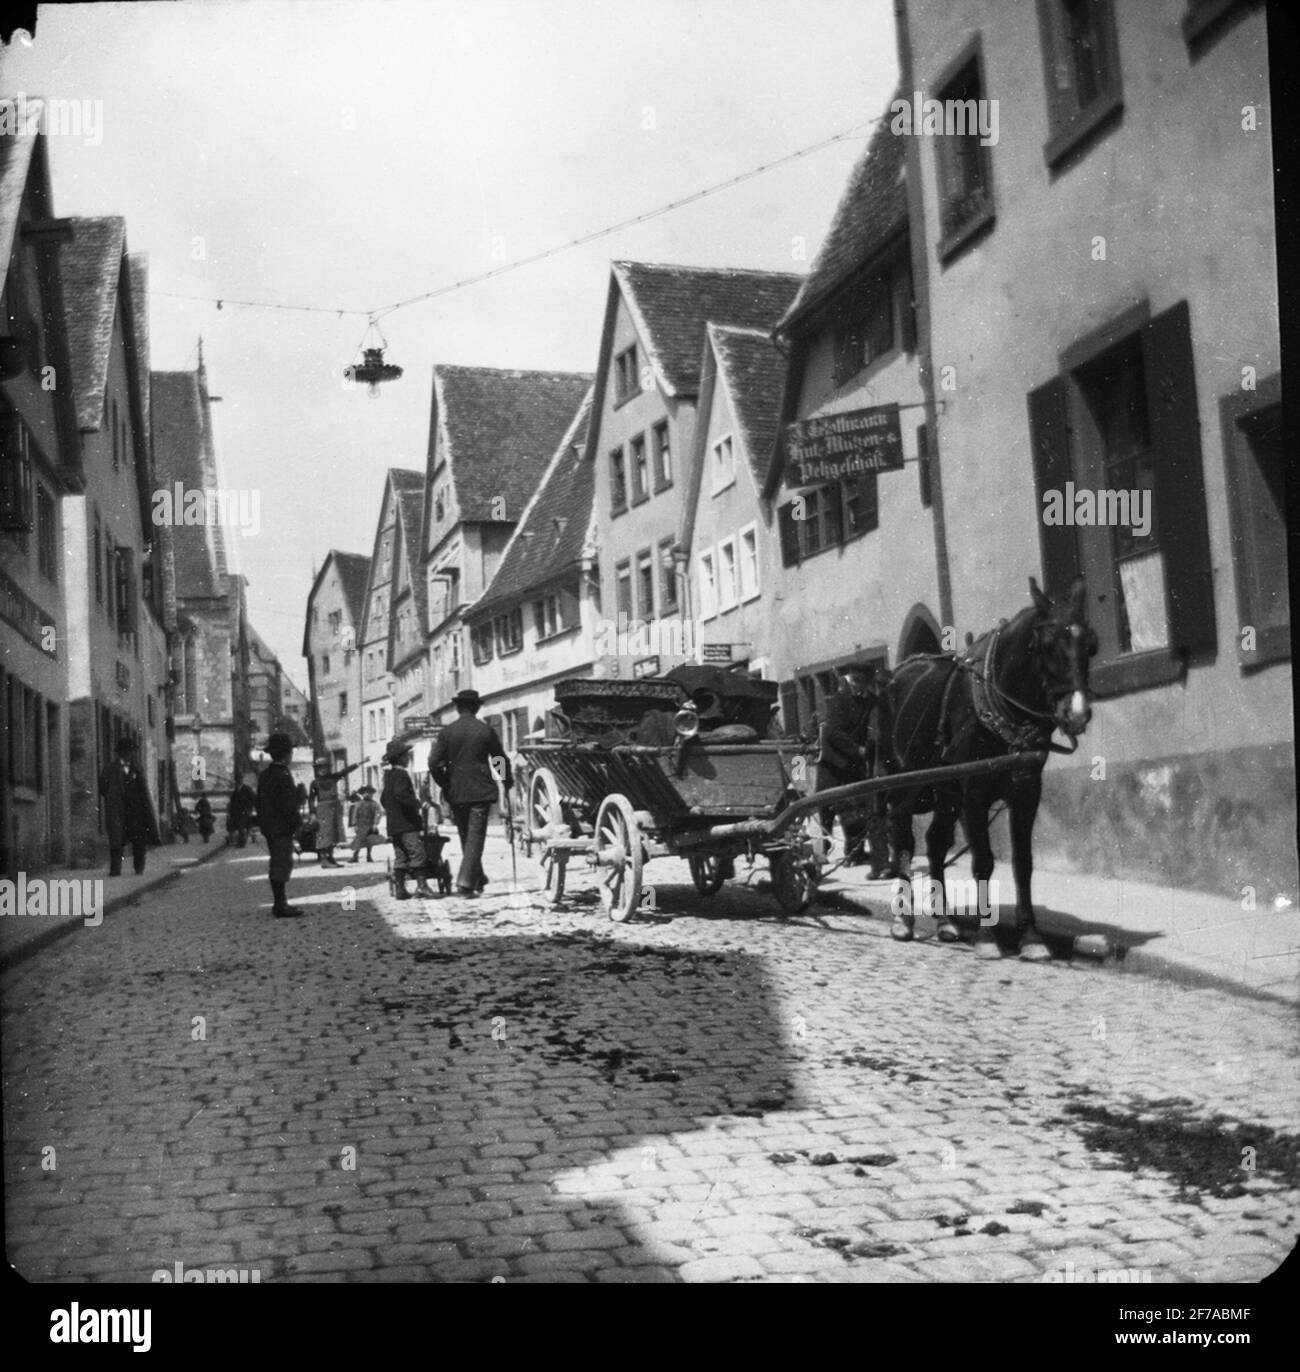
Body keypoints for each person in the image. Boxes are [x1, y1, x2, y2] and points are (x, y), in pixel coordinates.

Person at [430, 689, 510, 897]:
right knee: (475, 836)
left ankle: (477, 877)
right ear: (476, 708)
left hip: (456, 792)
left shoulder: (447, 732)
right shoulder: (485, 730)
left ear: (458, 708)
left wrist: (446, 784)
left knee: (466, 835)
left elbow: (433, 763)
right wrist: (506, 780)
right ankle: (466, 883)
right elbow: (498, 758)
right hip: (480, 790)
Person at [820, 664, 890, 875]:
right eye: (852, 681)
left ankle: (854, 853)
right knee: (827, 807)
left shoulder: (872, 702)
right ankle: (821, 851)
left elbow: (875, 727)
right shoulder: (838, 701)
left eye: (859, 681)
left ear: (867, 683)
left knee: (857, 808)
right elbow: (832, 733)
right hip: (834, 762)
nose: (855, 686)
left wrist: (869, 748)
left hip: (856, 762)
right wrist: (857, 750)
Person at [380, 740, 436, 899]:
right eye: (406, 756)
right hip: (406, 824)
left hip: (394, 825)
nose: (408, 759)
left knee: (401, 855)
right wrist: (418, 804)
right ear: (401, 758)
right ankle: (422, 886)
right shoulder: (402, 774)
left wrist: (393, 811)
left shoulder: (388, 776)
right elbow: (402, 795)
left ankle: (400, 889)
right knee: (417, 852)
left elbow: (384, 799)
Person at [257, 732, 303, 917]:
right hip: (282, 828)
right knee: (282, 864)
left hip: (270, 827)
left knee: (277, 862)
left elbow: (260, 803)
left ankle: (280, 902)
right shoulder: (283, 775)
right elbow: (288, 805)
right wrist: (297, 824)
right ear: (286, 754)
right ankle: (280, 905)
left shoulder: (265, 775)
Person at [99, 738, 160, 876]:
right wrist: (113, 799)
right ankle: (115, 869)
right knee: (116, 840)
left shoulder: (137, 768)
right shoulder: (110, 769)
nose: (129, 754)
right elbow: (103, 788)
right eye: (126, 751)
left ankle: (139, 868)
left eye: (131, 751)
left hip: (136, 811)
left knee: (139, 840)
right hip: (118, 810)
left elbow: (143, 789)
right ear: (120, 753)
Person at [310, 757, 360, 868]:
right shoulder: (315, 783)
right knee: (324, 833)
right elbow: (311, 799)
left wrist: (359, 763)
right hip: (323, 809)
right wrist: (312, 813)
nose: (324, 770)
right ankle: (324, 860)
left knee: (334, 833)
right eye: (321, 768)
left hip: (335, 807)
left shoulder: (333, 778)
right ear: (317, 769)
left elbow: (345, 771)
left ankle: (331, 858)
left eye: (326, 767)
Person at [349, 785, 381, 863]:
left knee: (370, 840)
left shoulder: (374, 804)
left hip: (370, 824)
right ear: (362, 794)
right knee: (359, 840)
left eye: (369, 793)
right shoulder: (359, 804)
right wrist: (354, 824)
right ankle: (355, 856)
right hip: (360, 824)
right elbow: (355, 814)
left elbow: (378, 813)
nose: (367, 795)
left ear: (372, 794)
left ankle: (369, 855)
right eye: (365, 793)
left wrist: (375, 823)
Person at [227, 776, 257, 848]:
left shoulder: (247, 789)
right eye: (237, 780)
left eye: (240, 780)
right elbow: (232, 801)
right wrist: (230, 812)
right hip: (237, 812)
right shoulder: (236, 790)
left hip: (245, 812)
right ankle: (240, 841)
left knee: (241, 826)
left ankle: (241, 843)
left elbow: (254, 798)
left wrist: (249, 808)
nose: (239, 781)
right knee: (238, 826)